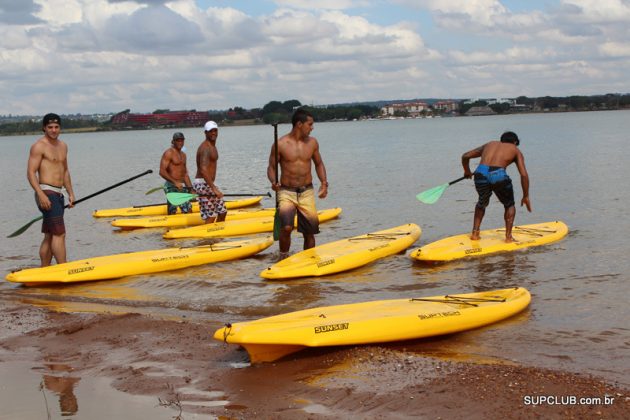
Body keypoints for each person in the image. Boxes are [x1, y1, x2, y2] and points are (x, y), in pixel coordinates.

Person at [267, 109, 328, 258]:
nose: (312, 127)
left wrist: (324, 183)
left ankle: (309, 260)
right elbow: (271, 167)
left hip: (306, 191)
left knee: (310, 231)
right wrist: (273, 181)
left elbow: (319, 164)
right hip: (286, 192)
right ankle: (283, 257)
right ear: (299, 124)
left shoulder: (312, 143)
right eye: (310, 124)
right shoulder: (280, 144)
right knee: (287, 227)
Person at [461, 131, 531, 242]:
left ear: (501, 140)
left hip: (480, 173)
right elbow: (523, 174)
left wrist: (467, 171)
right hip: (498, 175)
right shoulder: (516, 150)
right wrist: (526, 195)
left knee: (482, 203)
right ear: (515, 142)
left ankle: (475, 234)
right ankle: (508, 237)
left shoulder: (489, 144)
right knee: (509, 205)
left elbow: (465, 156)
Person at [27, 113, 75, 266]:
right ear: (44, 128)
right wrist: (41, 195)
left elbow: (65, 171)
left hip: (58, 193)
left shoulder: (63, 146)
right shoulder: (39, 146)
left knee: (50, 235)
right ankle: (63, 268)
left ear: (60, 127)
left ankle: (45, 269)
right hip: (46, 192)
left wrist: (70, 193)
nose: (53, 130)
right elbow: (30, 172)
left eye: (56, 127)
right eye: (50, 127)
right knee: (60, 234)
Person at [193, 121, 227, 224]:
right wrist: (214, 188)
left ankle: (218, 237)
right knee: (211, 216)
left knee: (222, 212)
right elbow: (203, 170)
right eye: (210, 131)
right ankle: (205, 238)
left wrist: (213, 187)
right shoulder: (205, 148)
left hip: (209, 184)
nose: (213, 133)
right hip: (203, 184)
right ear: (205, 133)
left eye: (215, 130)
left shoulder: (213, 146)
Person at [160, 132, 193, 215]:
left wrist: (191, 189)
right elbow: (162, 171)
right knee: (183, 211)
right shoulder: (169, 153)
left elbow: (185, 174)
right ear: (173, 141)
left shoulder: (183, 155)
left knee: (182, 210)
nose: (180, 142)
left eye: (182, 140)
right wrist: (175, 182)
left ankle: (176, 225)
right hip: (170, 186)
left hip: (180, 186)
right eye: (177, 140)